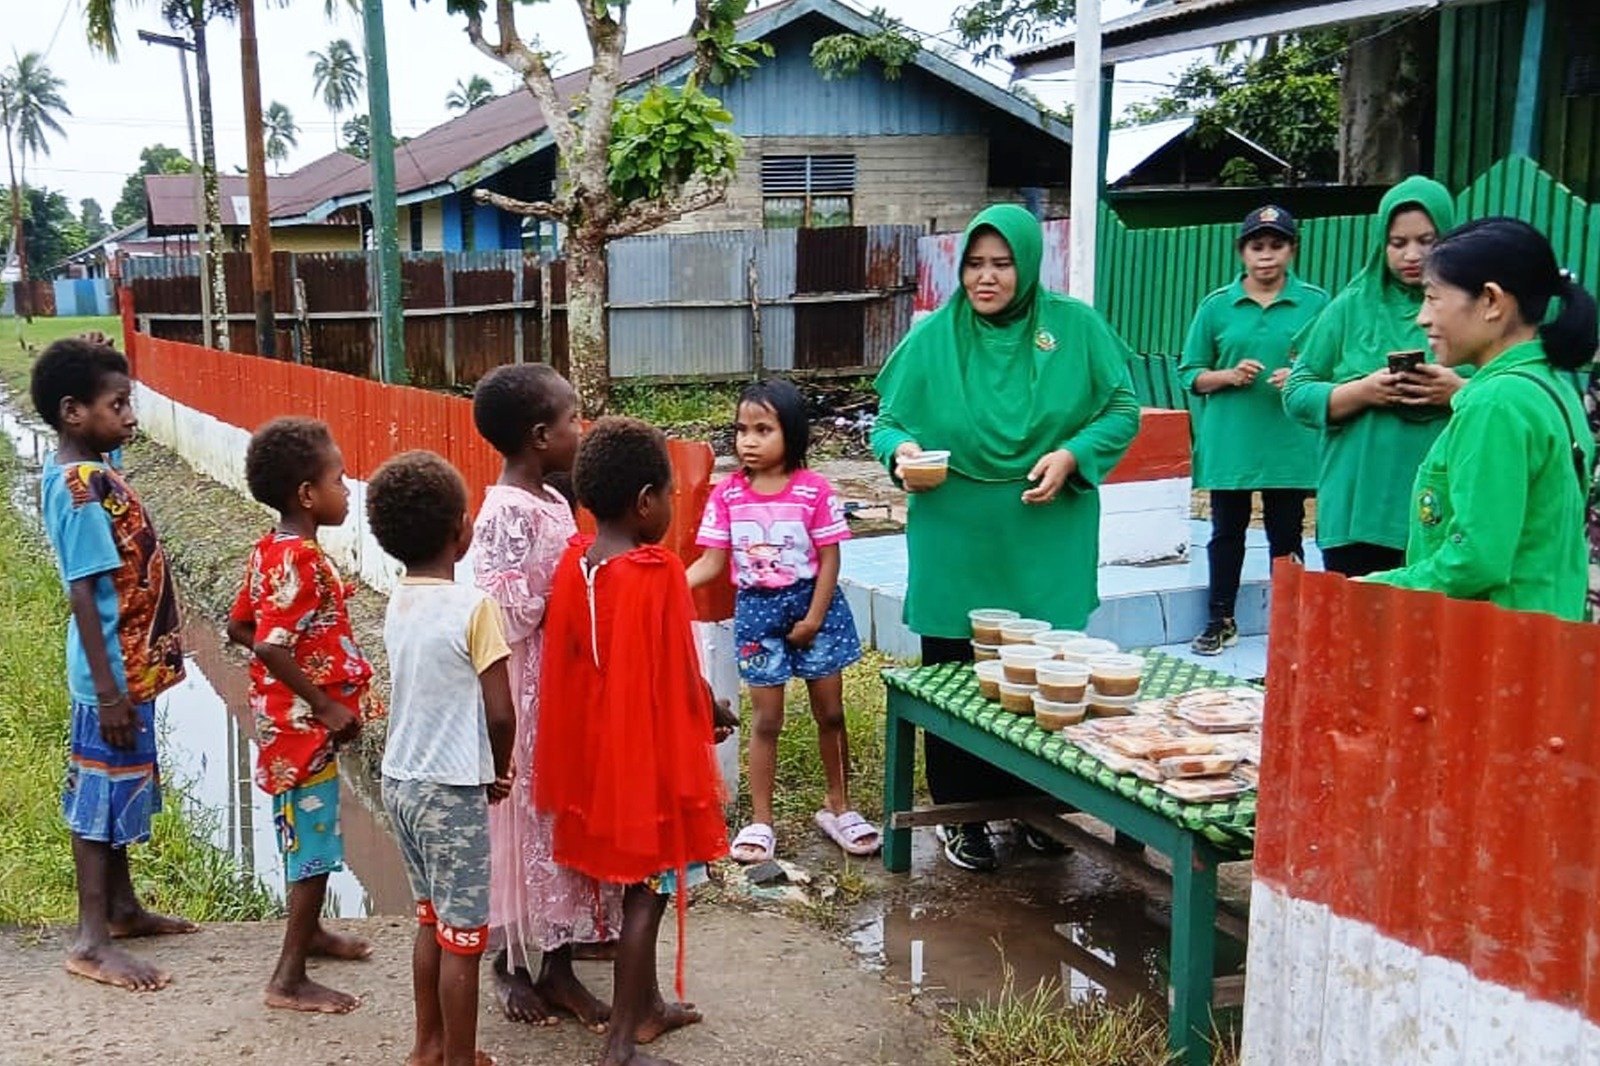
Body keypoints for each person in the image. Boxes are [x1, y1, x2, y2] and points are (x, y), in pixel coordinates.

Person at [870, 204, 1141, 873]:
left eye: (1001, 264)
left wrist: (1073, 455)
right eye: (974, 264)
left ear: (1028, 265)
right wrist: (902, 452)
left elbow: (1121, 408)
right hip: (955, 534)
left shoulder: (1074, 327)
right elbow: (889, 421)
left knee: (1043, 677)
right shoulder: (935, 338)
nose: (985, 278)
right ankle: (962, 816)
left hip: (1044, 533)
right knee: (955, 677)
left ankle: (1039, 807)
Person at [536, 417, 737, 1066]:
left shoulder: (577, 563)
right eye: (671, 496)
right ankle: (620, 1044)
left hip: (598, 760)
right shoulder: (656, 572)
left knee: (635, 888)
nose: (674, 508)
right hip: (649, 764)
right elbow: (677, 669)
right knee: (647, 894)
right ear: (645, 502)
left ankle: (647, 1010)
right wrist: (710, 709)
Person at [31, 337, 194, 993]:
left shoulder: (93, 470)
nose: (130, 416)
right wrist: (108, 693)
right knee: (97, 803)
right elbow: (83, 590)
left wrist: (94, 359)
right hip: (111, 677)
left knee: (122, 785)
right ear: (73, 412)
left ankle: (123, 910)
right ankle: (91, 941)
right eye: (117, 404)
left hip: (127, 673)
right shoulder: (78, 490)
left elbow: (107, 456)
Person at [470, 364, 621, 1028]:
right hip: (521, 692)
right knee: (520, 823)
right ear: (539, 436)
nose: (580, 429)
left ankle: (558, 965)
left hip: (560, 687)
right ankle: (509, 967)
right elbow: (499, 614)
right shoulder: (505, 513)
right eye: (571, 419)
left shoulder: (554, 502)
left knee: (557, 822)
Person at [226, 416, 382, 1013]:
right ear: (308, 495)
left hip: (285, 725)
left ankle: (311, 934)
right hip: (303, 730)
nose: (347, 489)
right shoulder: (304, 562)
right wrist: (322, 703)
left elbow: (240, 626)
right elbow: (270, 645)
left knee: (299, 829)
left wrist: (287, 687)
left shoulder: (270, 550)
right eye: (339, 479)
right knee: (313, 844)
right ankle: (288, 978)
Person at [1368, 218, 1598, 621]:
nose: (1422, 317)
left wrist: (1377, 589)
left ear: (1491, 301)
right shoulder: (1551, 387)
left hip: (1496, 643)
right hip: (1551, 634)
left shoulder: (1495, 403)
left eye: (1432, 298)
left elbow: (1476, 560)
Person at [368, 450, 518, 1066]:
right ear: (462, 530)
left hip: (399, 782)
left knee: (431, 920)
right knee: (465, 938)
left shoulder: (398, 600)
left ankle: (428, 1045)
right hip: (449, 791)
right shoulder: (474, 608)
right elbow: (501, 712)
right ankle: (459, 1058)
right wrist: (499, 769)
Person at [686, 378, 872, 864]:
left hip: (817, 608)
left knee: (831, 713)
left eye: (762, 429)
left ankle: (840, 806)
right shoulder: (728, 496)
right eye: (741, 430)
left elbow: (829, 561)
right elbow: (710, 563)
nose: (748, 441)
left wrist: (813, 618)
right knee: (766, 720)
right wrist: (664, 588)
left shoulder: (815, 491)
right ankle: (761, 820)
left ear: (792, 432)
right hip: (757, 613)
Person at [1283, 176, 1463, 578]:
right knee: (1359, 613)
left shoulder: (1470, 307)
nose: (1412, 255)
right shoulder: (1351, 306)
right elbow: (1296, 391)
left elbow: (1504, 388)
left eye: (1427, 240)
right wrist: (1363, 392)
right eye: (1397, 243)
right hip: (1356, 508)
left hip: (1442, 511)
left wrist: (1455, 391)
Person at [1179, 206, 1329, 654]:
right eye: (1257, 246)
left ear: (1292, 250)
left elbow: (1332, 366)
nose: (1266, 256)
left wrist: (1300, 377)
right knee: (1227, 531)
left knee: (1287, 533)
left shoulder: (1317, 303)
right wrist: (1228, 375)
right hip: (1232, 441)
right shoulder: (1216, 306)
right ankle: (1220, 619)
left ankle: (1292, 624)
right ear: (1241, 252)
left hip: (1289, 440)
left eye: (1276, 245)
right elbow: (1190, 374)